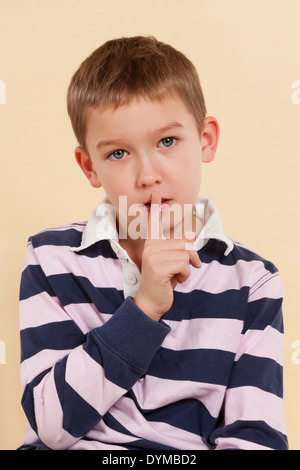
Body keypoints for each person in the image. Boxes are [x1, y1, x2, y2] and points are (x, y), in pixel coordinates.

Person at [19, 36, 288, 450]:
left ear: (206, 140)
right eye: (118, 153)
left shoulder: (251, 281)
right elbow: (51, 425)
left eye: (167, 142)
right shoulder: (52, 259)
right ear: (89, 167)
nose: (147, 175)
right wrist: (144, 308)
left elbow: (256, 437)